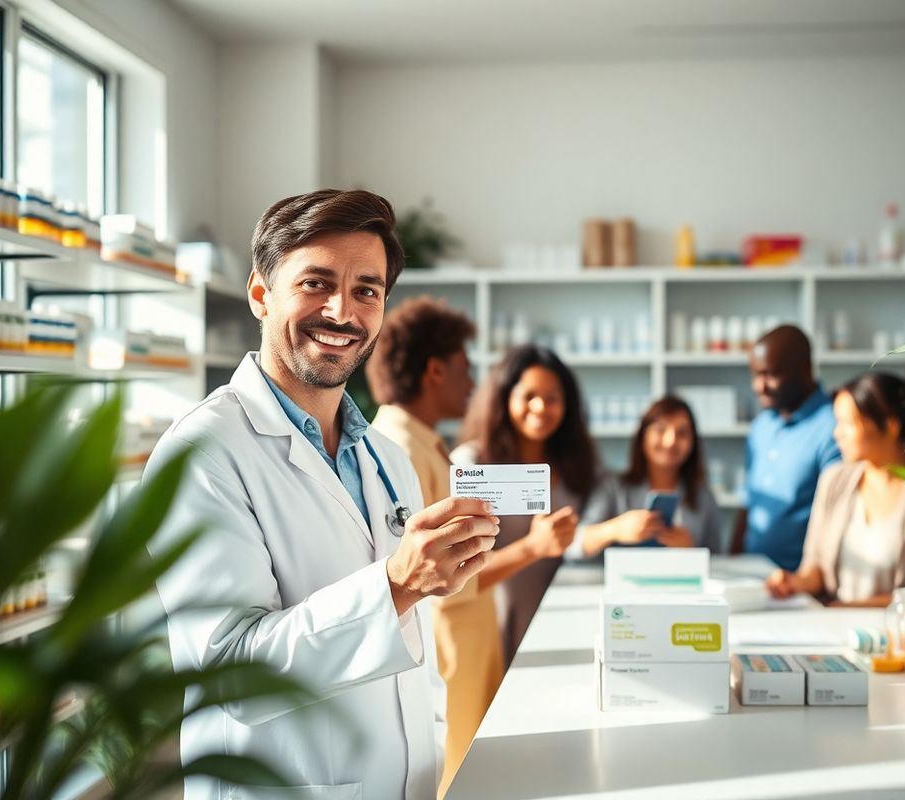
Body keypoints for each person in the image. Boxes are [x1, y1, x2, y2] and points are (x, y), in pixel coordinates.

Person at [147, 190, 500, 800]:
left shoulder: (385, 458)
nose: (342, 311)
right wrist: (399, 583)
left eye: (367, 289)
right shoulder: (203, 453)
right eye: (315, 283)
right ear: (261, 294)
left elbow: (406, 643)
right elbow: (232, 672)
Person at [366, 299, 575, 797]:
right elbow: (440, 576)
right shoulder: (399, 450)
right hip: (447, 649)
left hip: (468, 641)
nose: (473, 384)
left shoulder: (422, 442)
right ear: (435, 371)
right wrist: (533, 548)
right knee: (457, 779)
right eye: (465, 369)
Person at [766, 358, 905, 605]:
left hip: (900, 633)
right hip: (835, 629)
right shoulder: (834, 480)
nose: (836, 433)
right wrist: (794, 582)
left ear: (891, 426)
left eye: (847, 424)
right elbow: (815, 567)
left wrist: (848, 608)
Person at [453, 344, 597, 663]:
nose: (541, 407)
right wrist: (533, 546)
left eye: (553, 398)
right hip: (491, 632)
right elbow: (458, 574)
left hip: (565, 626)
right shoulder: (473, 464)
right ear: (504, 398)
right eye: (529, 395)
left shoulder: (577, 468)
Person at [729, 325, 841, 571]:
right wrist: (733, 561)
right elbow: (749, 502)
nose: (759, 386)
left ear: (805, 369)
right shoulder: (761, 426)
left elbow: (837, 516)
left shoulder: (834, 427)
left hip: (800, 582)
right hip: (751, 573)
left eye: (770, 375)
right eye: (755, 375)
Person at [574, 394, 721, 557]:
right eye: (661, 429)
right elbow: (574, 546)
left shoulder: (703, 496)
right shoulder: (612, 487)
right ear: (643, 436)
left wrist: (692, 551)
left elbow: (717, 558)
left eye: (682, 433)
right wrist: (615, 529)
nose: (670, 441)